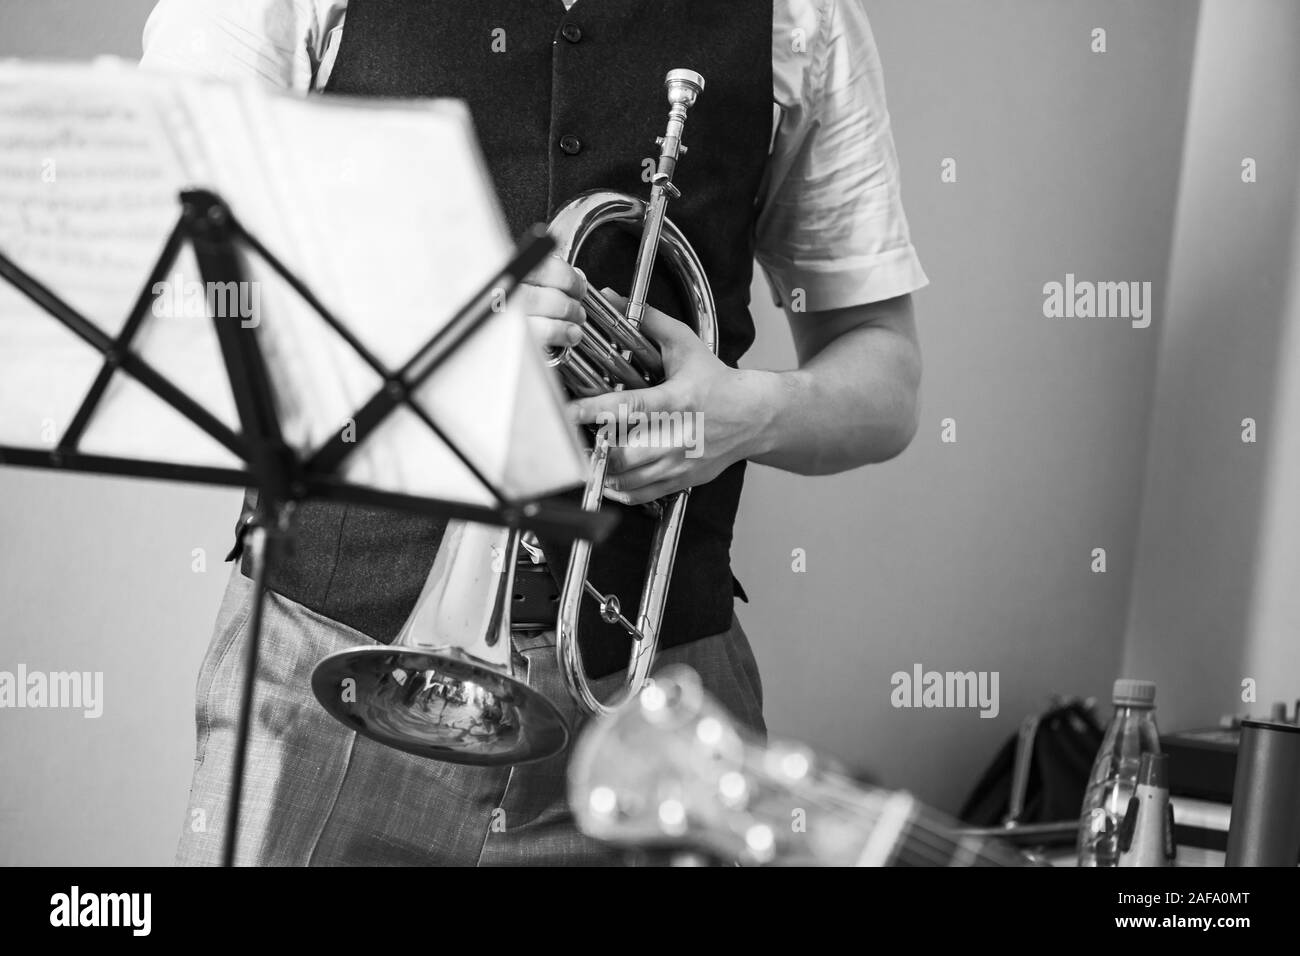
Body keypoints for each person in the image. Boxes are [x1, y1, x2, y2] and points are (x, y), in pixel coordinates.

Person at [142, 0, 928, 866]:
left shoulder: (803, 16)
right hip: (329, 666)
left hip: (654, 710)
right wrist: (447, 337)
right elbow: (179, 305)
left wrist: (749, 415)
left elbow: (884, 375)